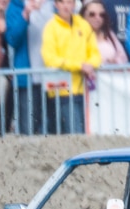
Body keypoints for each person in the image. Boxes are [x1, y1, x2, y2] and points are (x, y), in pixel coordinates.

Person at [41, 0, 99, 134]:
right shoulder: (51, 28)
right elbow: (50, 59)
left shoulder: (83, 25)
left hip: (83, 90)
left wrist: (90, 64)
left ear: (74, 5)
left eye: (69, 2)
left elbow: (95, 53)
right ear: (56, 5)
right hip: (61, 90)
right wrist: (79, 66)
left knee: (85, 132)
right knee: (75, 133)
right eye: (62, 3)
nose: (66, 6)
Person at [3, 0, 52, 134]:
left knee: (55, 129)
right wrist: (25, 15)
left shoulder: (56, 4)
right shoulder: (15, 5)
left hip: (54, 78)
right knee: (28, 130)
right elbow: (12, 39)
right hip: (28, 79)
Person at [81, 0, 127, 65]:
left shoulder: (109, 34)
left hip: (112, 74)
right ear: (84, 15)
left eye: (101, 15)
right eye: (92, 14)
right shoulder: (76, 34)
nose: (97, 18)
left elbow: (123, 58)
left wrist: (116, 61)